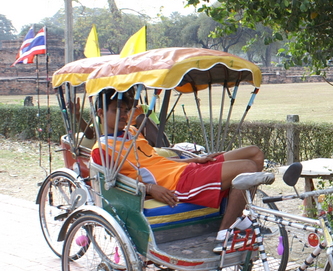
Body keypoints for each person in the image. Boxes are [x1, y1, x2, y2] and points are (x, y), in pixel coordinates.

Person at [90, 89, 264, 251]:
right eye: (117, 110)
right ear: (100, 113)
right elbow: (114, 184)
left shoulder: (133, 132)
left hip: (184, 169)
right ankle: (224, 233)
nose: (124, 115)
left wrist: (195, 159)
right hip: (178, 183)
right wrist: (150, 188)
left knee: (254, 153)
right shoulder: (101, 149)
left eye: (126, 110)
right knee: (247, 168)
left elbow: (157, 161)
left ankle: (238, 214)